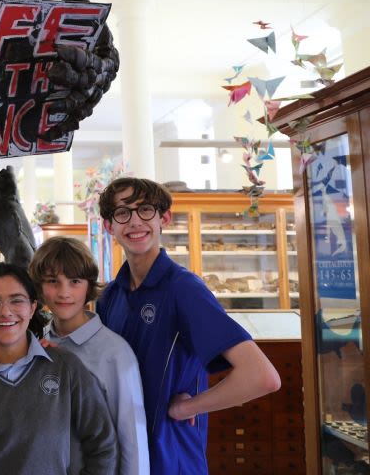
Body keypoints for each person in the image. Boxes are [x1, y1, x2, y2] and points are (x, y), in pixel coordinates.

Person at [95, 177, 281, 475]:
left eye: (145, 210)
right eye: (122, 213)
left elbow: (261, 376)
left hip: (170, 457)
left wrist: (187, 408)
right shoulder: (112, 296)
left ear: (164, 218)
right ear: (109, 226)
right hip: (121, 456)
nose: (134, 222)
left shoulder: (183, 289)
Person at [0, 262, 118, 475]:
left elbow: (103, 444)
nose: (5, 312)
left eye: (17, 301)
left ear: (33, 307)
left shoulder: (65, 367)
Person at [30, 236, 149, 475]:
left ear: (89, 286)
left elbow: (132, 441)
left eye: (74, 281)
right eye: (53, 281)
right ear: (40, 288)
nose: (64, 292)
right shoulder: (37, 346)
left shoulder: (114, 353)